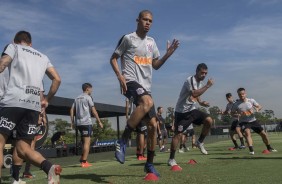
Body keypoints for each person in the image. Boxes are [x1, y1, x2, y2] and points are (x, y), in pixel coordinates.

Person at [110, 10, 179, 178]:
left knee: (153, 126)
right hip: (131, 82)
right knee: (147, 102)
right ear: (138, 20)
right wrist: (120, 76)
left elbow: (155, 65)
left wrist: (167, 54)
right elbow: (113, 58)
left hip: (146, 88)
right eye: (145, 19)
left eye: (150, 21)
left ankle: (149, 164)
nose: (148, 23)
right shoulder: (128, 39)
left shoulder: (151, 42)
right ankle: (122, 141)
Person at [0, 30, 61, 184]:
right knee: (23, 148)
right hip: (33, 106)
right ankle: (49, 167)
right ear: (31, 43)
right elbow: (57, 79)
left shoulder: (13, 48)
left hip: (12, 102)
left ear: (15, 41)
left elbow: (3, 63)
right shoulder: (42, 56)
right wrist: (47, 100)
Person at [168, 63, 214, 169]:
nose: (204, 75)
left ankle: (200, 142)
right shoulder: (190, 80)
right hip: (181, 112)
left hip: (192, 111)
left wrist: (201, 103)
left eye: (206, 73)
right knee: (178, 135)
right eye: (202, 73)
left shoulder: (200, 83)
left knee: (209, 120)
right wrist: (208, 85)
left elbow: (197, 97)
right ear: (197, 71)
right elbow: (194, 93)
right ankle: (171, 159)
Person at [231, 88, 277, 155]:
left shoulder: (251, 100)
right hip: (244, 122)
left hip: (253, 121)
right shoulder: (236, 104)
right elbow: (232, 113)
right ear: (238, 95)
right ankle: (251, 150)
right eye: (240, 94)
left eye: (243, 94)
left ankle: (269, 147)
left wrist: (257, 109)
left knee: (264, 134)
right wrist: (238, 114)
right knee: (247, 132)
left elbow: (259, 106)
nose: (242, 95)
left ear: (245, 93)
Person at [70, 83, 103, 168]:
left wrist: (72, 122)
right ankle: (84, 161)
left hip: (78, 123)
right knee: (87, 142)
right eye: (91, 89)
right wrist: (99, 121)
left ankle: (82, 159)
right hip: (86, 123)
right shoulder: (88, 97)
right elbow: (94, 110)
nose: (92, 90)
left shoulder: (77, 98)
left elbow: (71, 109)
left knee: (84, 141)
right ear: (87, 88)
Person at [22, 112, 47, 179]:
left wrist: (43, 118)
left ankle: (26, 172)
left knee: (30, 149)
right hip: (29, 124)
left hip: (33, 125)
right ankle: (20, 172)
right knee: (21, 150)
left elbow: (44, 121)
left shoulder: (39, 125)